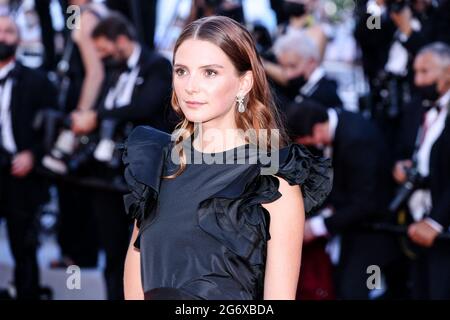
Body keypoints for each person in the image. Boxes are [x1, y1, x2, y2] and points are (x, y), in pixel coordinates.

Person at [122, 16, 332, 300]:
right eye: (181, 71)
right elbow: (135, 281)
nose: (190, 86)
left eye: (209, 72)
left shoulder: (272, 179)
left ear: (244, 83)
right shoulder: (156, 160)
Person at [287, 101, 400, 299]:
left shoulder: (357, 140)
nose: (311, 146)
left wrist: (317, 227)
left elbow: (367, 203)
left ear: (317, 129)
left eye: (308, 142)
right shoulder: (342, 128)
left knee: (362, 291)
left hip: (374, 232)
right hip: (351, 229)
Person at [0, 14, 57, 299]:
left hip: (20, 173)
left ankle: (27, 293)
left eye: (9, 31)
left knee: (24, 242)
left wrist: (33, 155)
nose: (2, 37)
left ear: (19, 38)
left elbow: (54, 128)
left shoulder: (38, 81)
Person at [393, 42, 450, 299]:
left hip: (443, 226)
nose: (418, 80)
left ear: (448, 72)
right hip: (414, 219)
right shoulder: (416, 106)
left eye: (425, 72)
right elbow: (403, 147)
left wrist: (437, 221)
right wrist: (400, 165)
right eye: (415, 72)